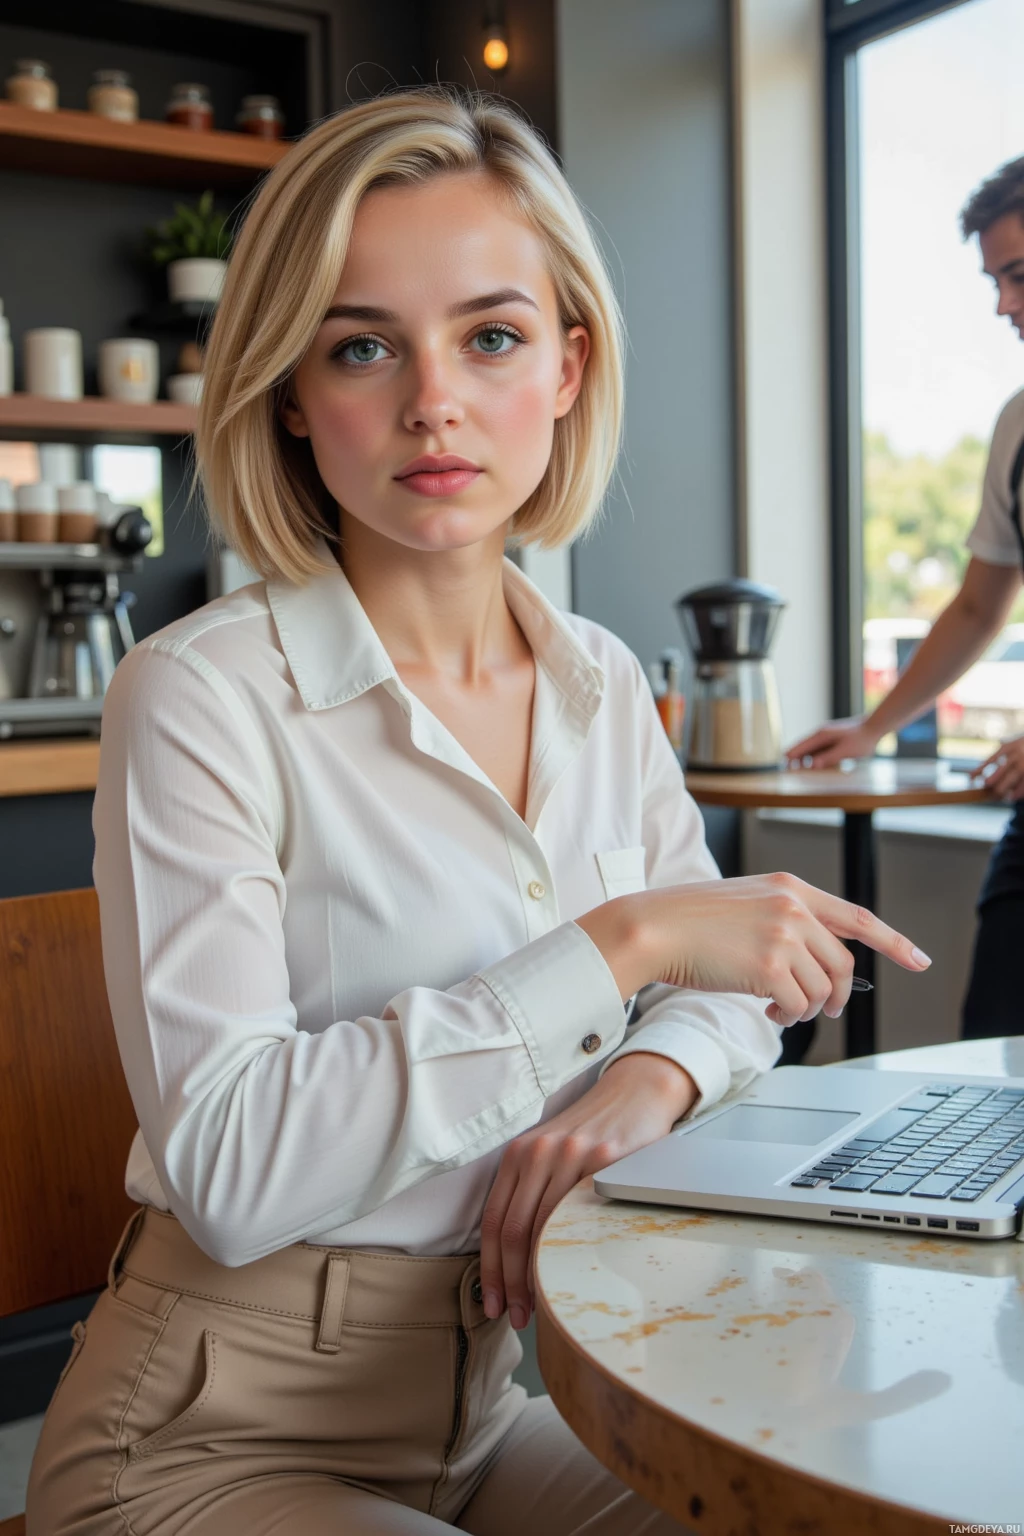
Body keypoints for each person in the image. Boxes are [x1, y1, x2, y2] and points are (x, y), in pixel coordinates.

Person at [26, 89, 928, 1536]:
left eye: (490, 336)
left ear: (568, 366)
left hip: (500, 1391)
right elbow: (238, 1166)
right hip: (205, 1442)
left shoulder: (595, 677)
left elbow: (732, 1000)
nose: (432, 401)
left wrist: (646, 1082)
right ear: (290, 391)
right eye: (364, 346)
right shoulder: (198, 693)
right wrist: (622, 946)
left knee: (818, 1520)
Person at [787, 154, 1024, 1040]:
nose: (1004, 304)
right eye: (995, 280)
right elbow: (977, 606)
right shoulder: (1017, 425)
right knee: (995, 1072)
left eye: (1019, 275)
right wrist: (873, 729)